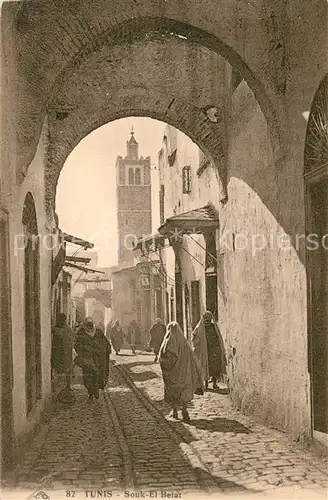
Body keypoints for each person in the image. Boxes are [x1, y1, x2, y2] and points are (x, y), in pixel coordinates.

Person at [159, 321, 203, 422]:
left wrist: (164, 364)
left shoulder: (169, 341)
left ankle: (175, 411)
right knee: (183, 391)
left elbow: (167, 357)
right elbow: (192, 357)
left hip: (173, 372)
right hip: (184, 373)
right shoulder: (184, 343)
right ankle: (184, 410)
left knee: (173, 391)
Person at [74, 317, 111, 399]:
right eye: (87, 324)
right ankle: (90, 392)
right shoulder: (81, 332)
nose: (89, 326)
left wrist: (103, 350)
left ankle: (96, 390)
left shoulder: (98, 332)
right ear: (85, 325)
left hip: (98, 359)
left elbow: (105, 343)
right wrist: (85, 349)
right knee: (88, 377)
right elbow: (76, 345)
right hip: (87, 359)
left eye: (90, 324)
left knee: (97, 375)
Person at [192, 310, 226, 390]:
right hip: (205, 350)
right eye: (206, 320)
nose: (208, 322)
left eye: (209, 320)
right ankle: (206, 383)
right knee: (205, 366)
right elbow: (194, 335)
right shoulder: (200, 327)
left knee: (214, 367)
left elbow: (218, 336)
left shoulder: (214, 326)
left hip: (214, 349)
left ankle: (214, 383)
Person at [51, 313, 75, 390]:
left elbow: (62, 334)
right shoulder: (67, 328)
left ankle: (67, 385)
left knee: (66, 368)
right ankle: (64, 385)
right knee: (58, 368)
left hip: (64, 352)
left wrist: (54, 329)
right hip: (59, 351)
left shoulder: (64, 329)